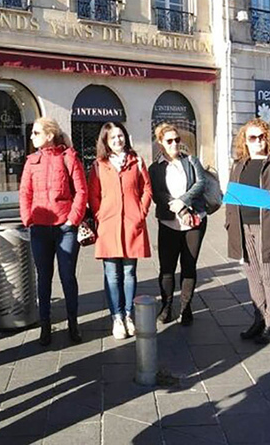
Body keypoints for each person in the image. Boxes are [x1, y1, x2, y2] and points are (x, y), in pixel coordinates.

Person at [19, 117, 87, 346]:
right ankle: (45, 325)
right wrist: (28, 219)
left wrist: (72, 219)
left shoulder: (69, 158)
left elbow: (81, 191)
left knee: (68, 277)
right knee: (43, 278)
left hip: (64, 227)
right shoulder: (31, 161)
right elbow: (24, 193)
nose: (31, 137)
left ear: (49, 135)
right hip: (39, 227)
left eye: (36, 133)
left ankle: (73, 323)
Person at [226, 118, 270, 345]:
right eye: (252, 138)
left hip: (267, 228)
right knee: (252, 276)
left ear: (268, 138)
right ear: (245, 141)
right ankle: (259, 318)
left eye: (261, 137)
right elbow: (231, 197)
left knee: (268, 276)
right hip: (242, 228)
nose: (257, 142)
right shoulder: (239, 164)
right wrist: (229, 224)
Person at [87, 122, 153, 340]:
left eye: (121, 136)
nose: (118, 140)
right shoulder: (98, 165)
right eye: (113, 137)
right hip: (108, 225)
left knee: (129, 273)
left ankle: (128, 314)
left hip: (132, 224)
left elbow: (146, 188)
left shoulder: (137, 161)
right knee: (111, 275)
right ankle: (116, 317)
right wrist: (100, 215)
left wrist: (141, 212)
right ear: (105, 141)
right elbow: (93, 195)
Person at [148, 123, 207, 326]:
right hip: (169, 223)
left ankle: (185, 307)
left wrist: (184, 201)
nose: (174, 144)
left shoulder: (191, 161)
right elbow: (158, 193)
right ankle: (166, 306)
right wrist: (180, 209)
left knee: (189, 265)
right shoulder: (155, 168)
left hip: (195, 222)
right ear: (161, 143)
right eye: (169, 141)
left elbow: (201, 184)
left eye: (177, 140)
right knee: (167, 268)